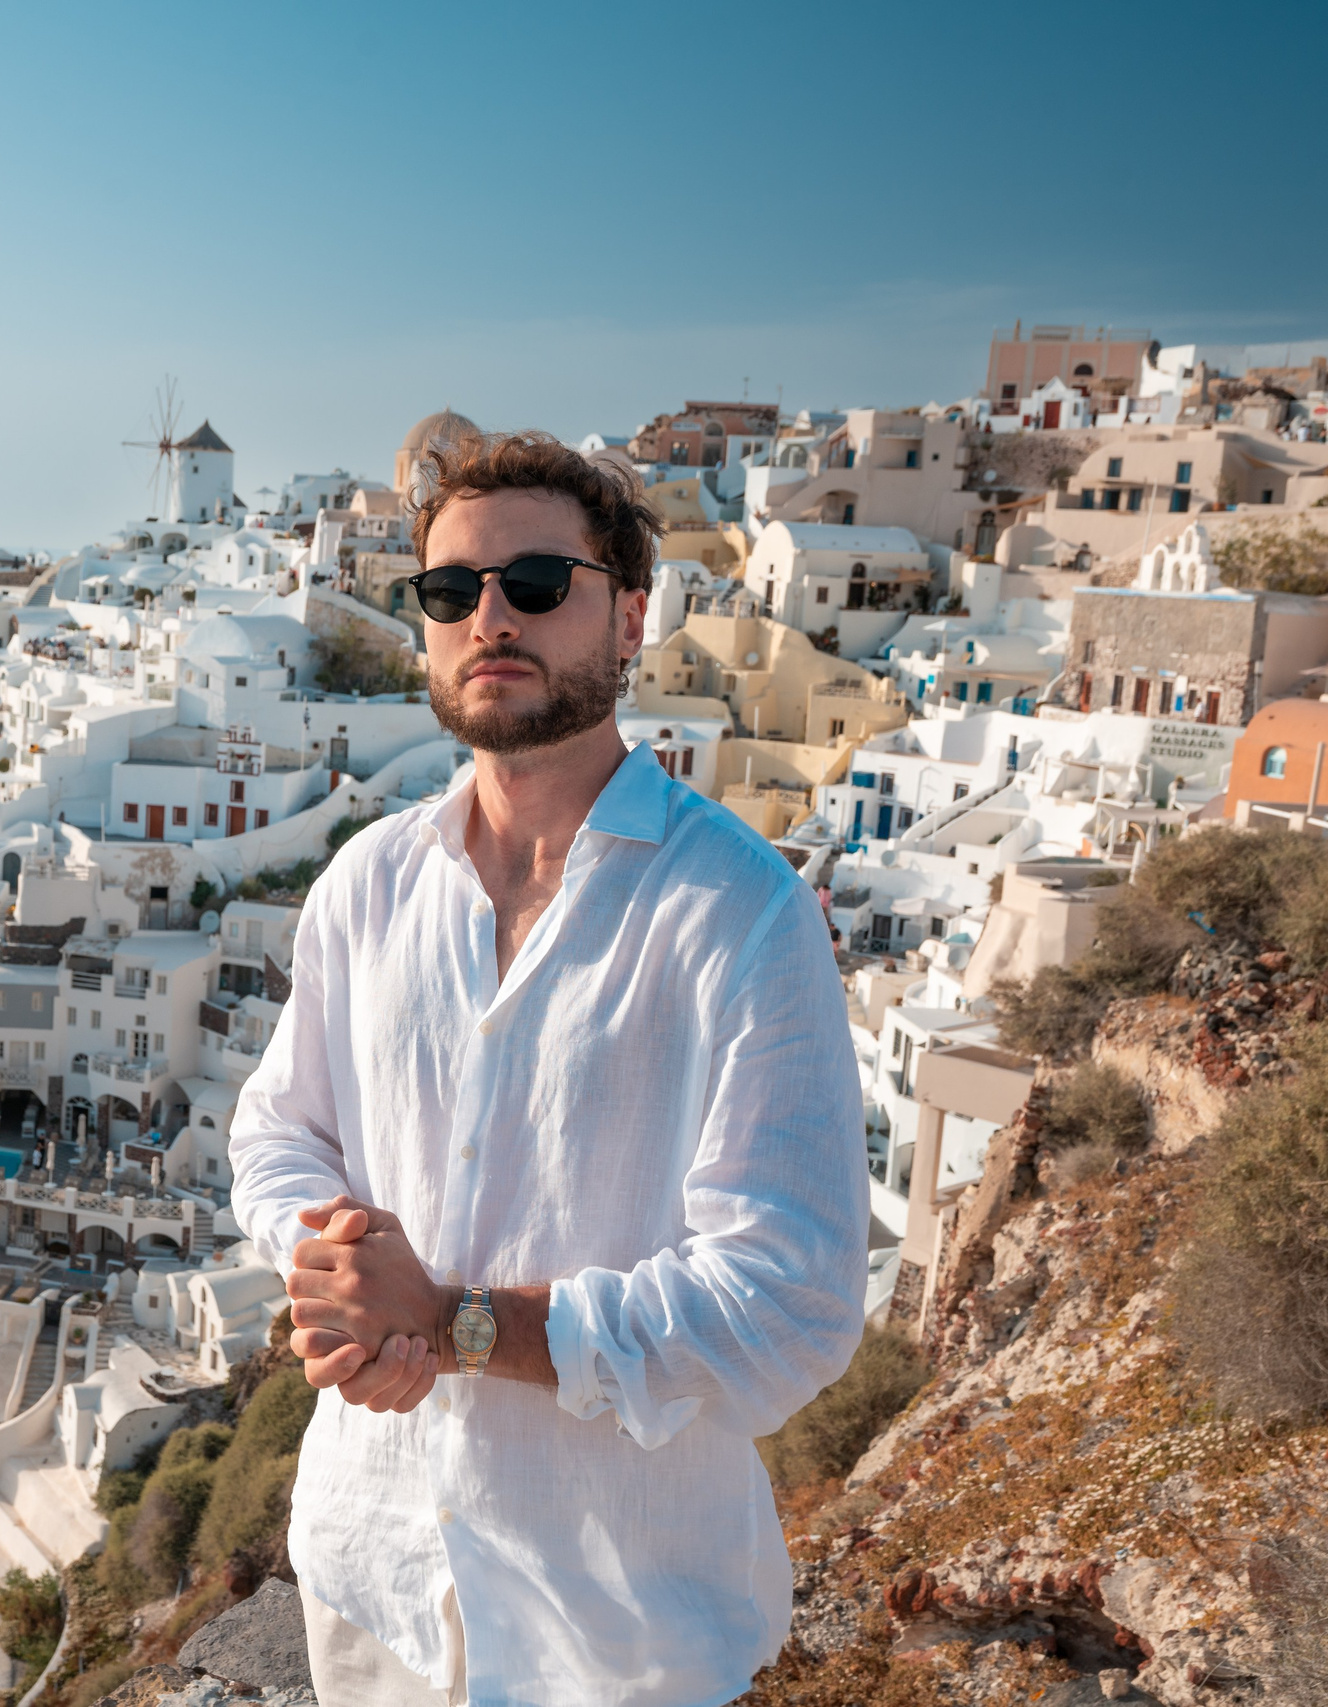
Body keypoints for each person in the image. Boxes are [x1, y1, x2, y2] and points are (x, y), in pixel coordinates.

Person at [229, 432, 867, 1706]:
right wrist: (344, 1270)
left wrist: (453, 1322)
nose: (489, 619)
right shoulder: (367, 886)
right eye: (450, 590)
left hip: (623, 1637)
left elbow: (788, 1306)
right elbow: (276, 1135)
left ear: (629, 618)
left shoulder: (738, 913)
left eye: (534, 583)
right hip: (376, 1592)